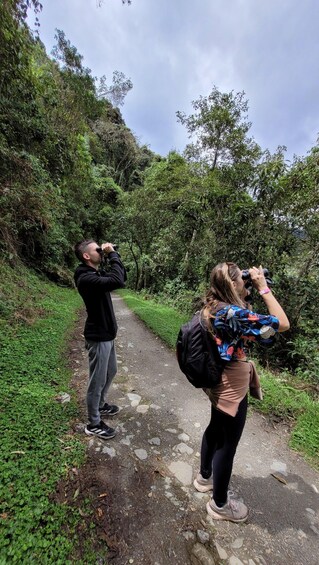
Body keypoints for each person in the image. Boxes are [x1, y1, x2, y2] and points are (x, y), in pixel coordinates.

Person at [193, 262, 290, 523]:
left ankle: (205, 477)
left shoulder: (215, 305)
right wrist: (263, 288)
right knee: (227, 443)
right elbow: (282, 324)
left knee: (215, 428)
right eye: (242, 280)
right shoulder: (233, 313)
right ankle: (220, 504)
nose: (247, 282)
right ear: (232, 284)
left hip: (215, 379)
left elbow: (256, 330)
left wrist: (244, 289)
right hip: (230, 383)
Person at [74, 239, 126, 440]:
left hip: (107, 333)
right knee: (97, 379)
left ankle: (101, 404)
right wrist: (111, 254)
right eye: (97, 250)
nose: (101, 251)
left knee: (111, 371)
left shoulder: (95, 274)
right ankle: (93, 422)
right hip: (98, 336)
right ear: (87, 256)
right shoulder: (85, 278)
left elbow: (122, 276)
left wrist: (114, 255)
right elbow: (117, 281)